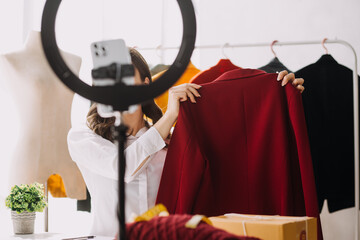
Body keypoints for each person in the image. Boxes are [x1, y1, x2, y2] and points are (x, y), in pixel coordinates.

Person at [67, 48, 305, 237]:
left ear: (146, 85)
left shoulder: (174, 144)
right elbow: (124, 167)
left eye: (126, 77)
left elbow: (233, 145)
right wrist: (169, 116)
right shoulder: (83, 138)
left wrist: (280, 96)